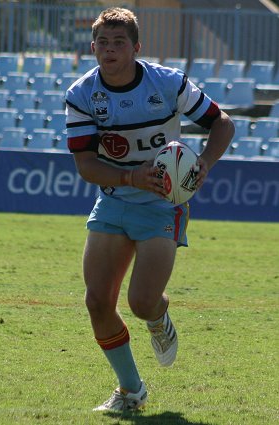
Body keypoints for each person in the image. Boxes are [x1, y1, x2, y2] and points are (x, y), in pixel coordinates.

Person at [65, 7, 235, 412]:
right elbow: (86, 165)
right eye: (102, 43)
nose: (109, 50)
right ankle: (131, 391)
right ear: (93, 47)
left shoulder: (168, 83)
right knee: (97, 302)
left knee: (142, 302)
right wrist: (129, 178)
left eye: (118, 43)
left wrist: (204, 164)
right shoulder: (82, 94)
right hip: (114, 199)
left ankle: (158, 317)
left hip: (162, 204)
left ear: (136, 47)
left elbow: (222, 123)